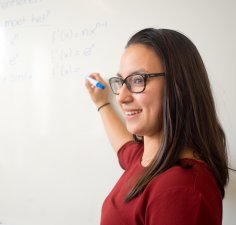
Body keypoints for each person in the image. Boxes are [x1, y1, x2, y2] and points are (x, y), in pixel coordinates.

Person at [85, 28, 229, 225]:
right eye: (121, 82)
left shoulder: (181, 190)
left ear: (178, 86)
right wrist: (101, 102)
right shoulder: (147, 160)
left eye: (138, 80)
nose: (122, 97)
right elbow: (124, 146)